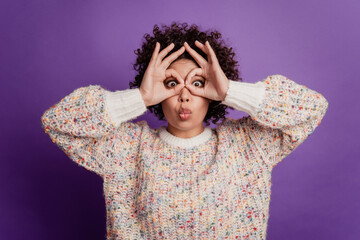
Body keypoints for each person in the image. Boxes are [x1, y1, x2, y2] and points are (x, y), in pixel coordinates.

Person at [41, 22, 329, 239]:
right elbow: (58, 121)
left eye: (198, 83)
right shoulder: (128, 149)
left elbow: (312, 107)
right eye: (170, 84)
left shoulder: (245, 146)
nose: (185, 95)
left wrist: (230, 91)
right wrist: (138, 98)